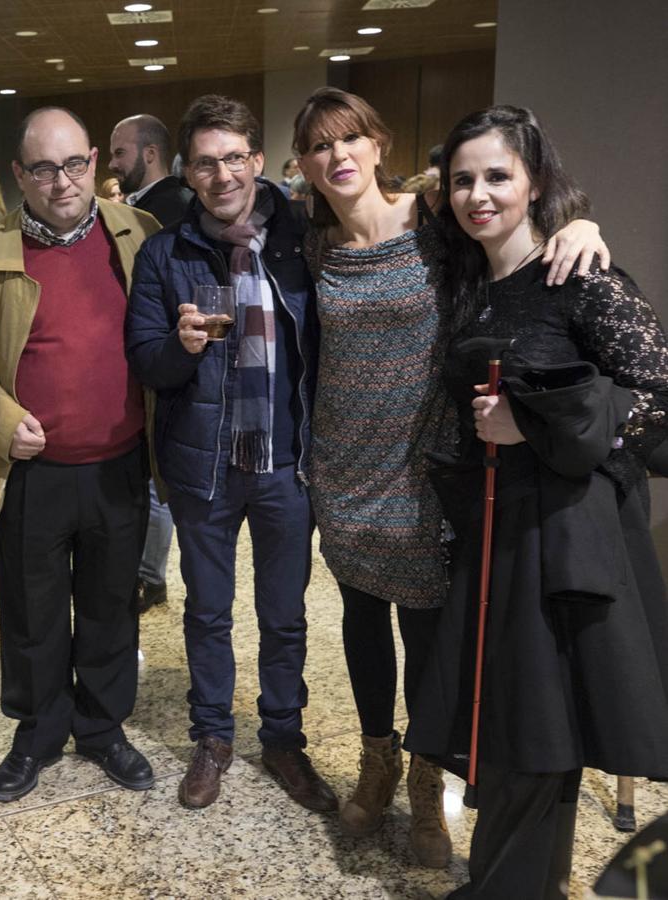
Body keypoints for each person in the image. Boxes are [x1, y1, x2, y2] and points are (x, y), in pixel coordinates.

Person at [292, 87, 610, 867]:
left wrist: (579, 222)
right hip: (343, 468)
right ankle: (377, 761)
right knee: (361, 623)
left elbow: (516, 224)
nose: (337, 157)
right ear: (302, 164)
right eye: (319, 146)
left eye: (350, 140)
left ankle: (428, 786)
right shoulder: (309, 245)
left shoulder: (438, 228)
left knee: (428, 634)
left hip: (425, 468)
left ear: (378, 145)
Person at [405, 104, 668, 898]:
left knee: (530, 731)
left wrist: (539, 429)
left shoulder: (579, 276)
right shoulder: (471, 280)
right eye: (462, 180)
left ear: (535, 181)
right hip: (493, 533)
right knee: (515, 728)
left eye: (498, 176)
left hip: (560, 542)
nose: (478, 194)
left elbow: (660, 406)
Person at [125, 94, 335, 816]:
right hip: (204, 467)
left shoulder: (305, 239)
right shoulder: (165, 253)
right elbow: (146, 362)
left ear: (255, 158)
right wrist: (179, 350)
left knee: (284, 615)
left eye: (234, 157)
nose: (222, 175)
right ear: (188, 171)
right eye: (205, 163)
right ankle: (213, 737)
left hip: (285, 464)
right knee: (208, 612)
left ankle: (283, 740)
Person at [0, 106, 160, 803]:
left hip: (120, 463)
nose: (61, 181)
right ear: (19, 174)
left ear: (95, 162)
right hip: (33, 472)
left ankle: (102, 728)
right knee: (33, 613)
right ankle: (39, 731)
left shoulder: (141, 238)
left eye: (73, 164)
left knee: (108, 606)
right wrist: (2, 417)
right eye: (42, 167)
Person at [108, 113, 194, 615]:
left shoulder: (168, 212)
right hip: (149, 355)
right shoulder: (144, 207)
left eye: (119, 153)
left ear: (148, 154)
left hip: (165, 361)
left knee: (157, 482)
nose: (114, 164)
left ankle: (149, 575)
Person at [109, 113, 194, 227]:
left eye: (120, 153)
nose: (111, 165)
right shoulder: (148, 205)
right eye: (112, 155)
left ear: (150, 154)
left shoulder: (172, 210)